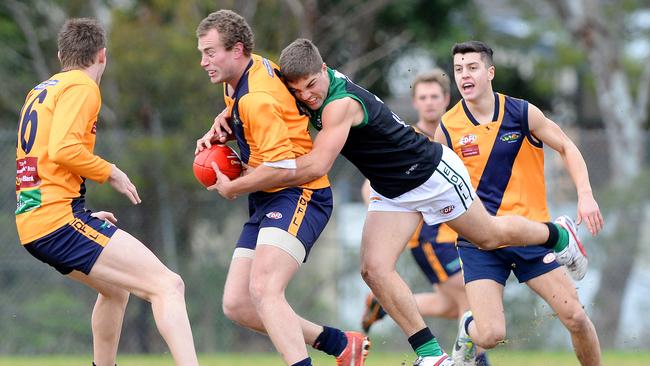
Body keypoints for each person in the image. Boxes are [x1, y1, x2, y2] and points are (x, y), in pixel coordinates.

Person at [201, 38, 588, 366]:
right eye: (298, 90)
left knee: (488, 235)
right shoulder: (296, 88)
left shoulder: (340, 103)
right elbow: (262, 93)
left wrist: (245, 181)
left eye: (310, 86)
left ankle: (557, 234)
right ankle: (431, 355)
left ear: (324, 68)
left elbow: (316, 164)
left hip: (431, 173)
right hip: (393, 189)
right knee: (373, 268)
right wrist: (226, 119)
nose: (306, 96)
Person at [14, 18, 198, 366]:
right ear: (102, 55)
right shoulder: (82, 87)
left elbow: (39, 163)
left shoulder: (42, 90)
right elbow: (63, 149)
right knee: (168, 285)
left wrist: (73, 213)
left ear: (60, 55)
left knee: (115, 292)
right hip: (55, 220)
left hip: (37, 218)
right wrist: (109, 171)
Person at [194, 10, 369, 366]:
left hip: (300, 192)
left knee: (264, 289)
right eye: (202, 52)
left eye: (210, 52)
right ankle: (339, 344)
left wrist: (235, 187)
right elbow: (260, 113)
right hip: (269, 196)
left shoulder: (256, 96)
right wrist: (224, 121)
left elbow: (282, 166)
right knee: (238, 304)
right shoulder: (245, 74)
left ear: (237, 49)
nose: (203, 62)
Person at [435, 40, 602, 366]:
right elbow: (434, 183)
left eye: (472, 68)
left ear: (490, 72)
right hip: (478, 242)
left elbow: (567, 147)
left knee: (577, 319)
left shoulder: (521, 112)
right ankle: (468, 328)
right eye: (458, 69)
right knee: (491, 334)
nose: (464, 75)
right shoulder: (448, 128)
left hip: (530, 235)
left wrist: (585, 194)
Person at [359, 70, 490, 365]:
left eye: (435, 96)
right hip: (431, 238)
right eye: (422, 98)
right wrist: (399, 219)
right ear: (415, 103)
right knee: (470, 302)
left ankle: (383, 306)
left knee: (451, 303)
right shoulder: (406, 137)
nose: (429, 103)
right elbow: (371, 188)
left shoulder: (458, 132)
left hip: (459, 229)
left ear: (446, 99)